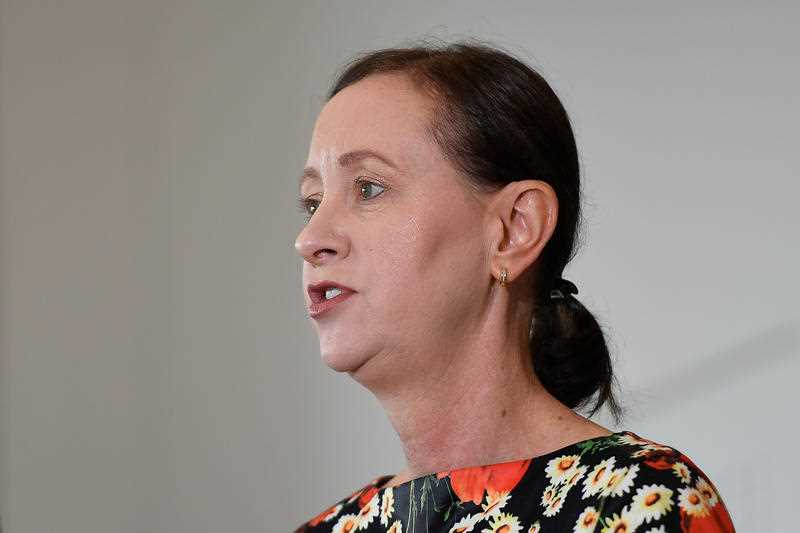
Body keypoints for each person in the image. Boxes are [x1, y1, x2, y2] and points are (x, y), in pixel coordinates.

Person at [293, 39, 735, 532]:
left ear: (513, 229)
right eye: (313, 202)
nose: (309, 239)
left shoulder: (637, 503)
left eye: (368, 188)